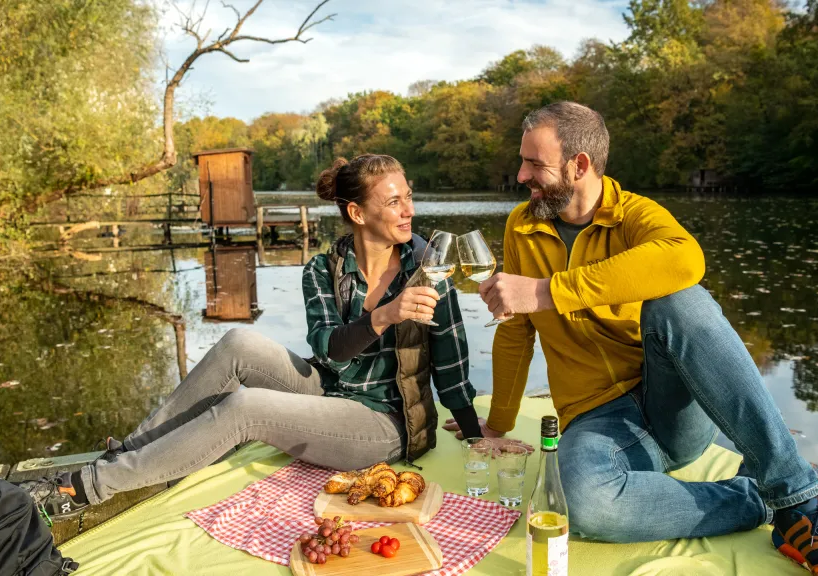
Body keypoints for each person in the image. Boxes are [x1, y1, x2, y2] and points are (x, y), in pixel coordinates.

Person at [444, 102, 818, 576]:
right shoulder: (521, 226)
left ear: (580, 164)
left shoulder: (634, 214)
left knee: (679, 301)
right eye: (523, 160)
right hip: (596, 421)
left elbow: (686, 261)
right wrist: (499, 422)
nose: (520, 174)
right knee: (580, 506)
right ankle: (772, 500)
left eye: (535, 163)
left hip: (673, 409)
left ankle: (800, 500)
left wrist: (550, 290)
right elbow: (515, 329)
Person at [28, 154, 528, 521]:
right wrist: (384, 315)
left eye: (409, 197)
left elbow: (452, 357)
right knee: (236, 345)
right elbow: (330, 349)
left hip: (384, 423)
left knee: (246, 408)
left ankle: (85, 487)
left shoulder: (429, 269)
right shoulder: (322, 270)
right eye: (393, 200)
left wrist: (473, 425)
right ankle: (132, 452)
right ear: (357, 214)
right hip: (328, 390)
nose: (408, 210)